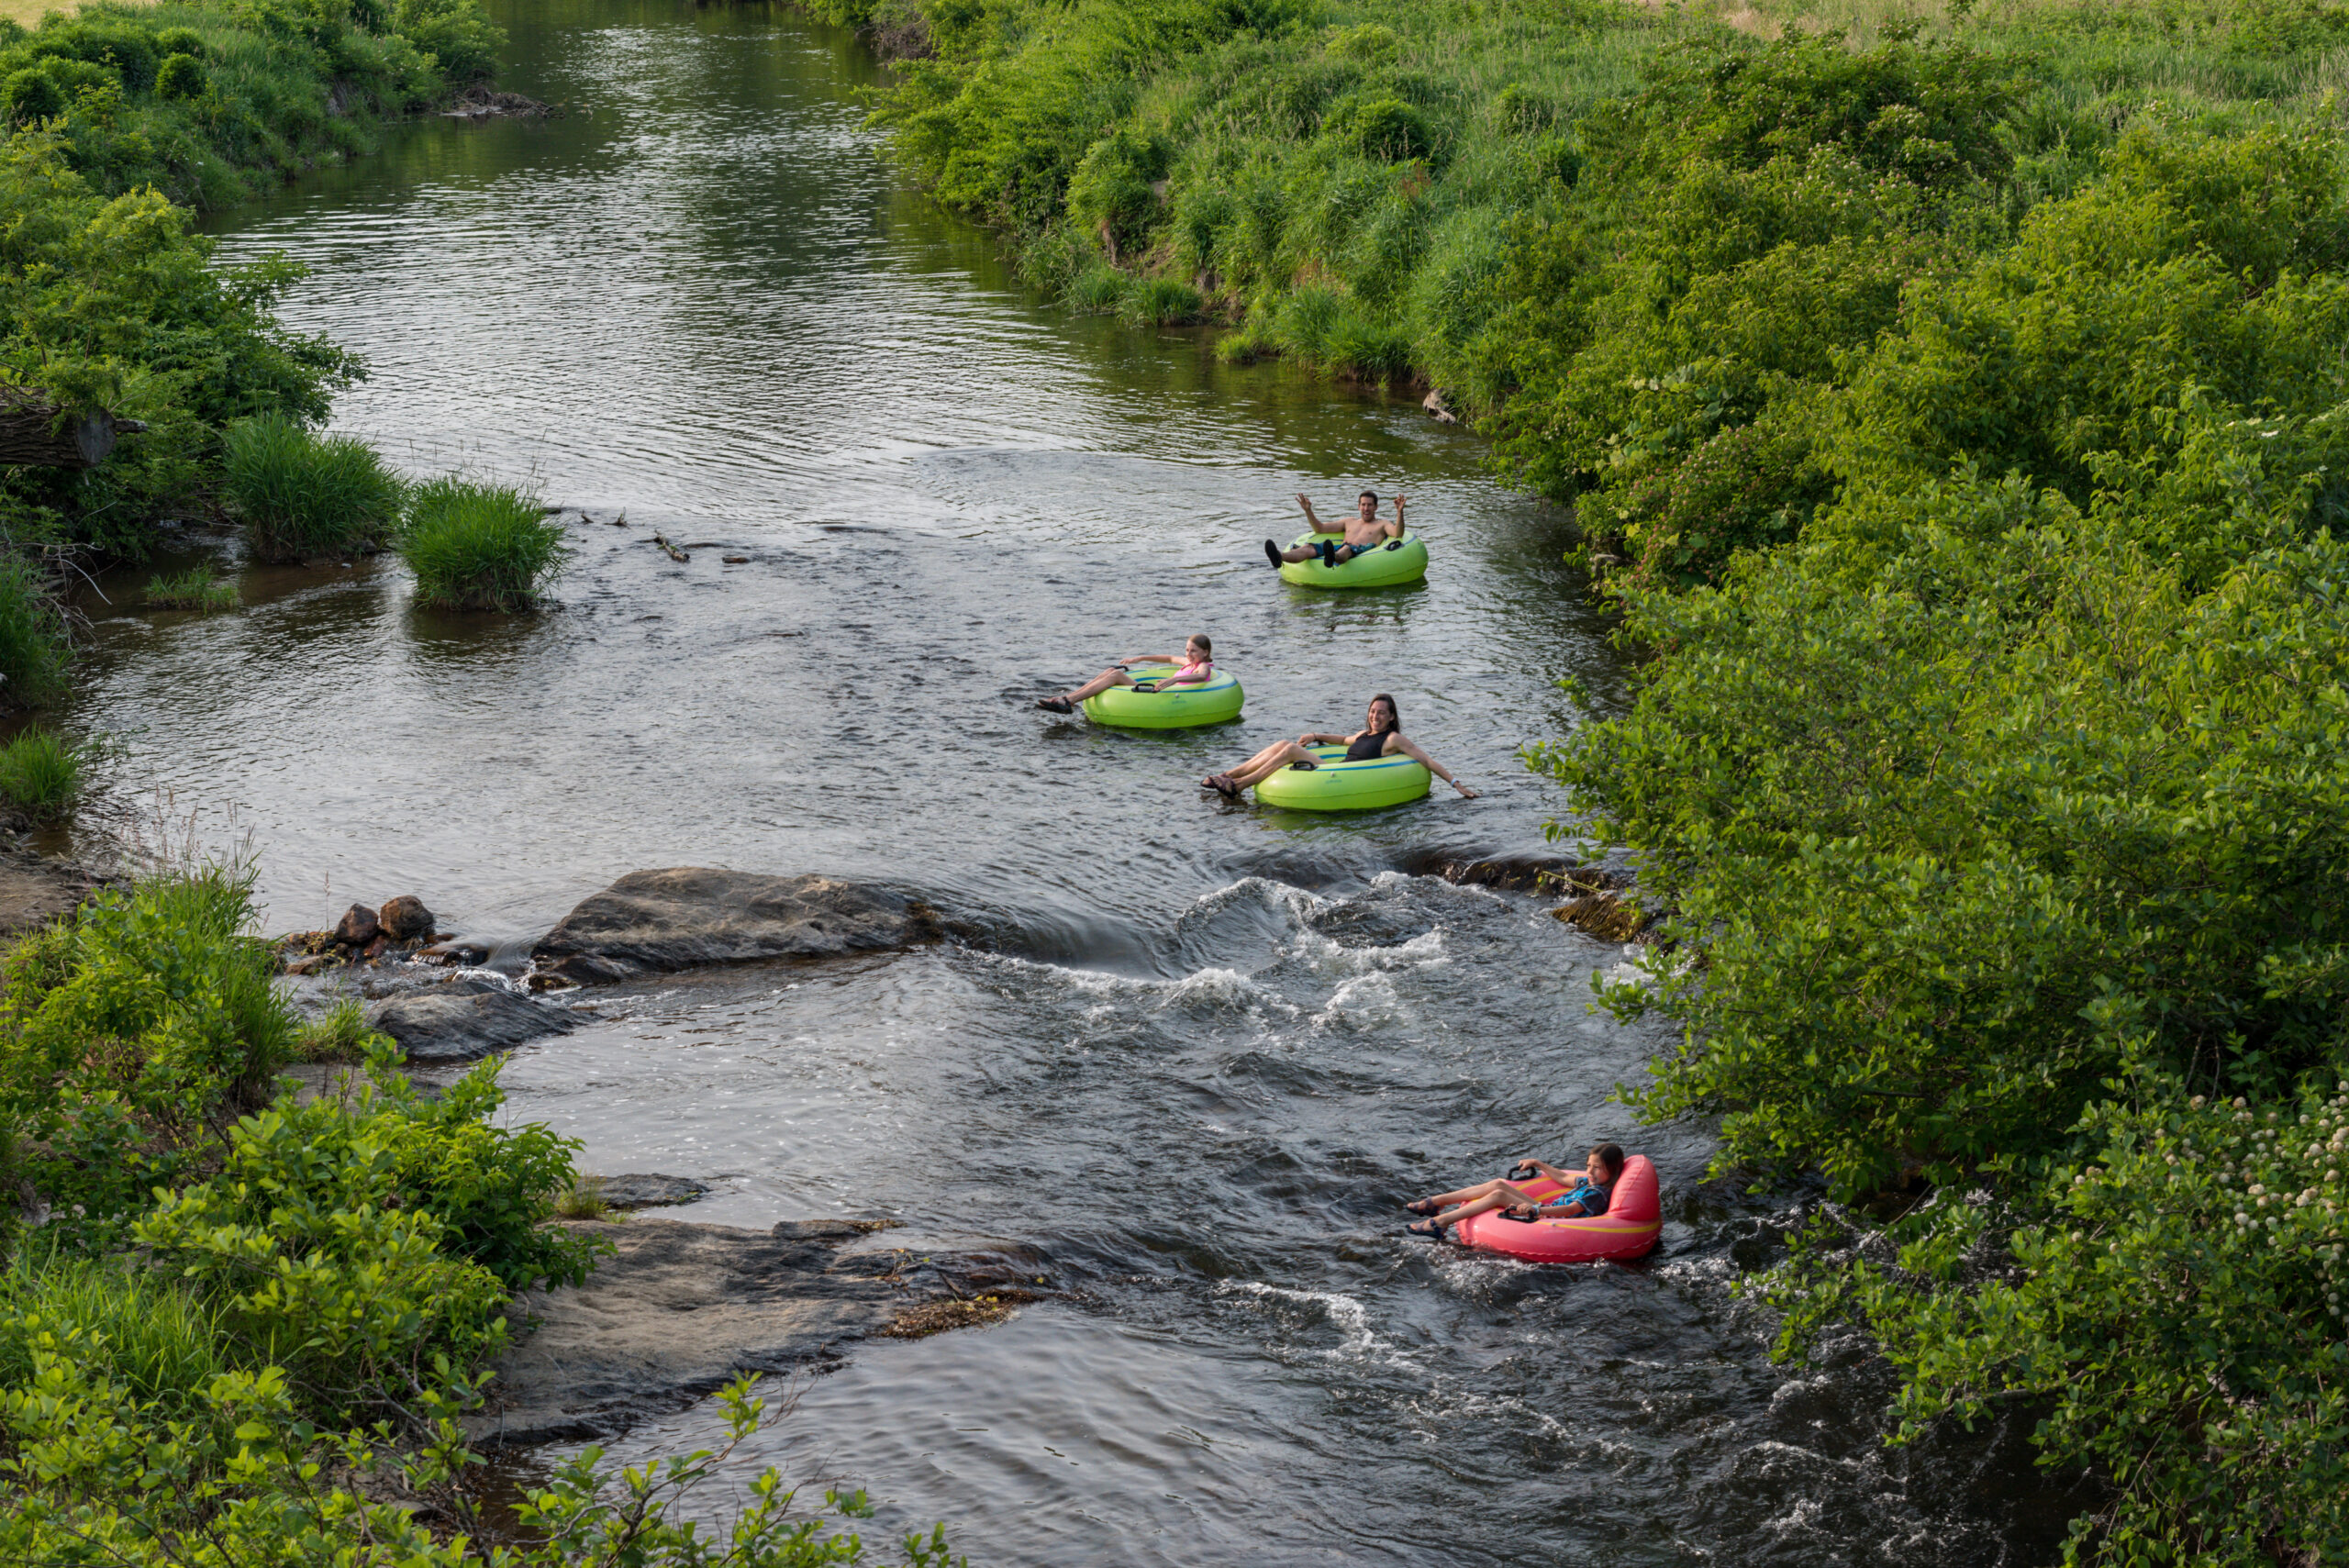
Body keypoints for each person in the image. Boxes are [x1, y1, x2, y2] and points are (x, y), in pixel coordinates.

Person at [1202, 694, 1478, 799]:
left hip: (1343, 776)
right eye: (1373, 711)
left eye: (1382, 713)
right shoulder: (1364, 733)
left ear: (1392, 717)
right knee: (1282, 744)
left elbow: (1426, 760)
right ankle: (1228, 775)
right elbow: (1343, 740)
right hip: (1335, 767)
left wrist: (1456, 784)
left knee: (1289, 751)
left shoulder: (1393, 739)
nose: (1376, 716)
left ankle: (1239, 786)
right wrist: (1315, 734)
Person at [1403, 1143, 1624, 1239]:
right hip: (1547, 1210)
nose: (1590, 1171)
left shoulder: (1599, 1193)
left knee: (1499, 1195)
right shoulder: (1590, 1182)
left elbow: (1570, 1210)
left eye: (1596, 1168)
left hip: (1553, 1218)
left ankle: (1440, 1224)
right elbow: (1564, 1178)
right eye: (1588, 1166)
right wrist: (1539, 1163)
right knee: (1499, 1184)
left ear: (1611, 1171)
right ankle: (1436, 1202)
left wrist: (1537, 1210)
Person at [1037, 635, 1216, 714]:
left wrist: (1174, 679)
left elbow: (1201, 676)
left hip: (1164, 697)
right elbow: (1169, 658)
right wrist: (1140, 658)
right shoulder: (1188, 663)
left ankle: (1068, 701)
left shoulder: (1203, 666)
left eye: (1194, 651)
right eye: (1187, 650)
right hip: (1160, 690)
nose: (1188, 654)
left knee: (1115, 675)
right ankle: (1068, 699)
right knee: (1110, 671)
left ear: (1205, 652)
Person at [1264, 490, 1406, 570]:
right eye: (1363, 505)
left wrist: (1399, 512)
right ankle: (1279, 556)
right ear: (1358, 507)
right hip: (1340, 547)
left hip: (1359, 550)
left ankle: (1331, 556)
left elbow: (1398, 533)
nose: (1366, 508)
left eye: (1369, 505)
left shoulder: (1382, 524)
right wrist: (1308, 511)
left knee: (1346, 549)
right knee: (1308, 547)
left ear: (1376, 507)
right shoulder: (1349, 522)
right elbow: (1320, 529)